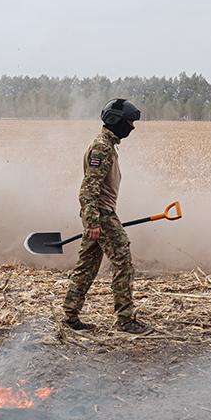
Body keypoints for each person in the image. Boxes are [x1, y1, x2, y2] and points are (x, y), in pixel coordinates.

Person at [62, 99, 150, 334]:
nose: (132, 126)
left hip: (101, 213)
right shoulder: (102, 148)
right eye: (129, 121)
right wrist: (92, 221)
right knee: (123, 262)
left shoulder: (108, 146)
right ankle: (126, 319)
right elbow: (88, 188)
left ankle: (70, 316)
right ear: (116, 121)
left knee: (87, 265)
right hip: (101, 214)